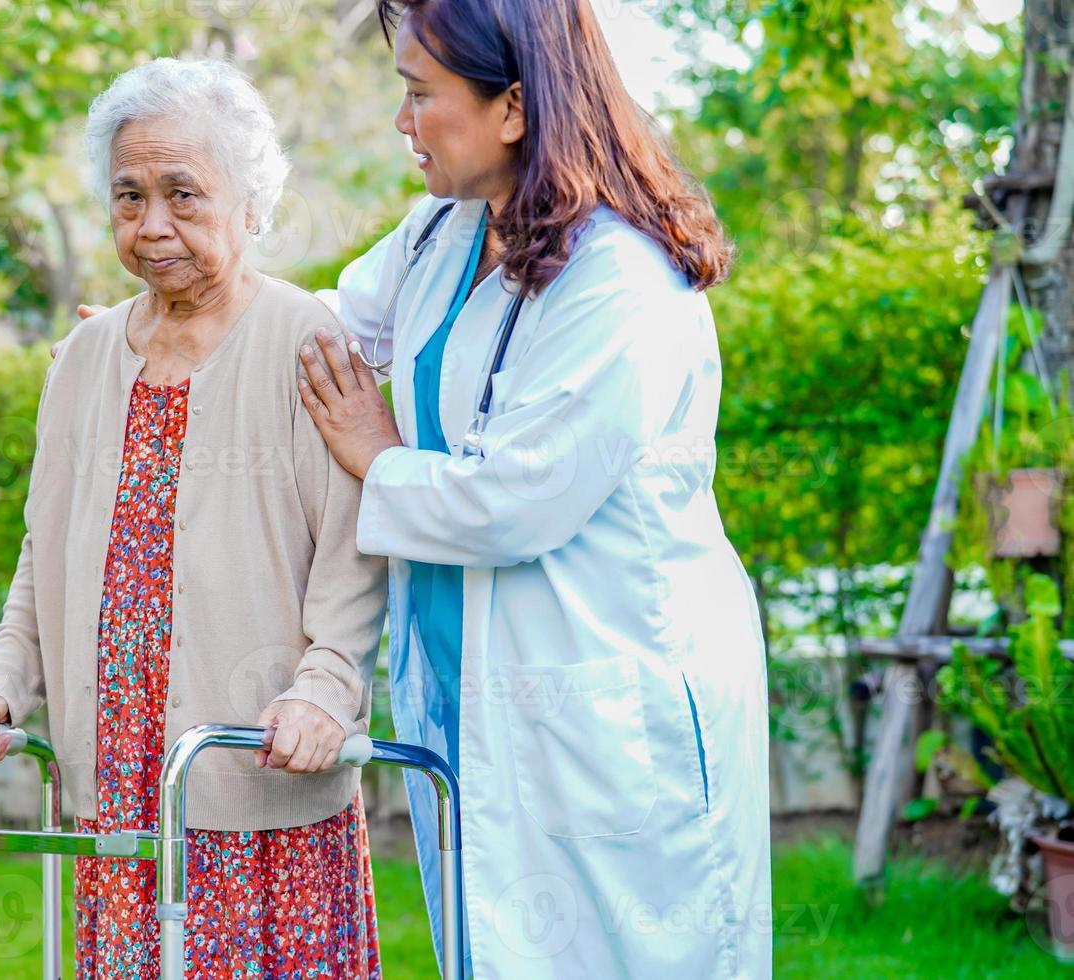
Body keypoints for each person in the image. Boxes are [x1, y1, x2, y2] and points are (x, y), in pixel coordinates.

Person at [290, 1, 772, 976]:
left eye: (420, 94)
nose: (403, 122)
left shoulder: (621, 279)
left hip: (604, 697)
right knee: (494, 945)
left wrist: (374, 453)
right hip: (476, 685)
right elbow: (329, 332)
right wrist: (182, 328)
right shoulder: (441, 231)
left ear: (512, 106)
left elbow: (517, 499)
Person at [0, 58, 387, 979]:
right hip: (114, 792)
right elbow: (46, 555)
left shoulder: (306, 342)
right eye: (129, 195)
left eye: (184, 194)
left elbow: (355, 554)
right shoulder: (82, 357)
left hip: (253, 777)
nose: (152, 227)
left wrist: (325, 690)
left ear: (250, 199)